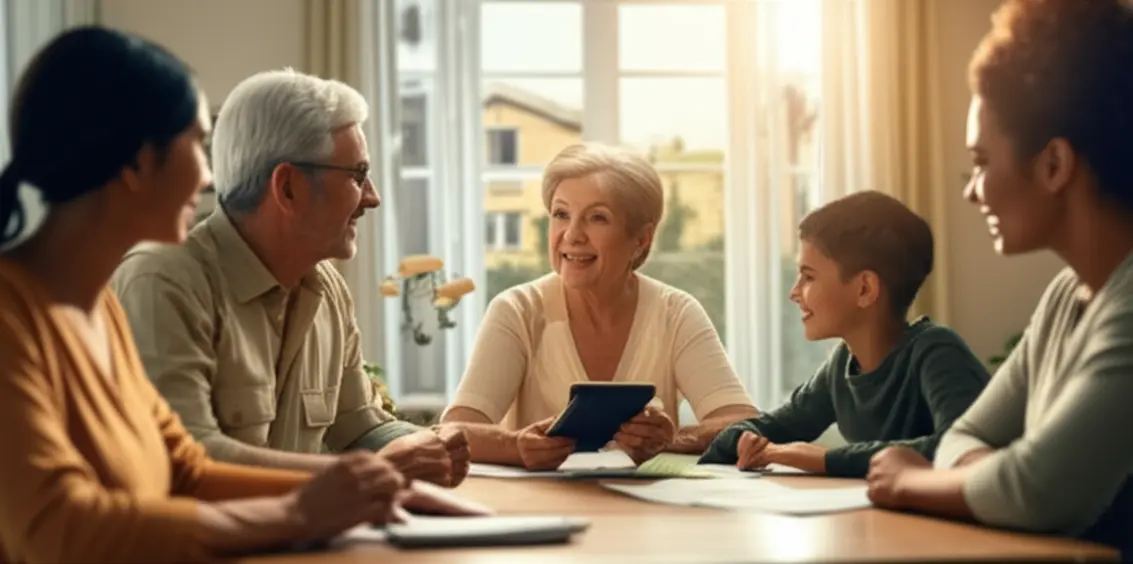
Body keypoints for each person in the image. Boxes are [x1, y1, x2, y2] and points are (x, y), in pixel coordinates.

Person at [0, 26, 421, 563]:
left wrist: (374, 486)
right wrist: (295, 514)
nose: (208, 178)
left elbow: (184, 468)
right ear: (136, 164)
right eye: (198, 145)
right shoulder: (11, 316)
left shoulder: (97, 307)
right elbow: (63, 528)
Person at [110, 69, 469, 487]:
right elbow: (186, 459)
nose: (372, 197)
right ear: (288, 188)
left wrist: (427, 445)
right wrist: (376, 470)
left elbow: (361, 428)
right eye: (357, 175)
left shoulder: (328, 288)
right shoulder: (161, 282)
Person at [865, 0, 1133, 556]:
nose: (971, 189)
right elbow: (967, 434)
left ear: (1054, 165)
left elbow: (1036, 489)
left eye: (982, 161)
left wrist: (910, 482)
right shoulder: (1066, 296)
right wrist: (996, 478)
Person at [440, 142, 758, 470]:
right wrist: (515, 445)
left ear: (641, 239)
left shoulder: (675, 313)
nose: (572, 235)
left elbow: (743, 422)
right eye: (561, 214)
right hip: (538, 510)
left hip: (649, 514)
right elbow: (452, 432)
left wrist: (672, 438)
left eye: (597, 218)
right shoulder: (518, 310)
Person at [698, 191, 989, 477]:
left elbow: (958, 448)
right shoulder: (842, 366)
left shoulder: (937, 351)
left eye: (808, 276)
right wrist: (745, 441)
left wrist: (824, 459)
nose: (794, 292)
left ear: (865, 289)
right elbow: (769, 426)